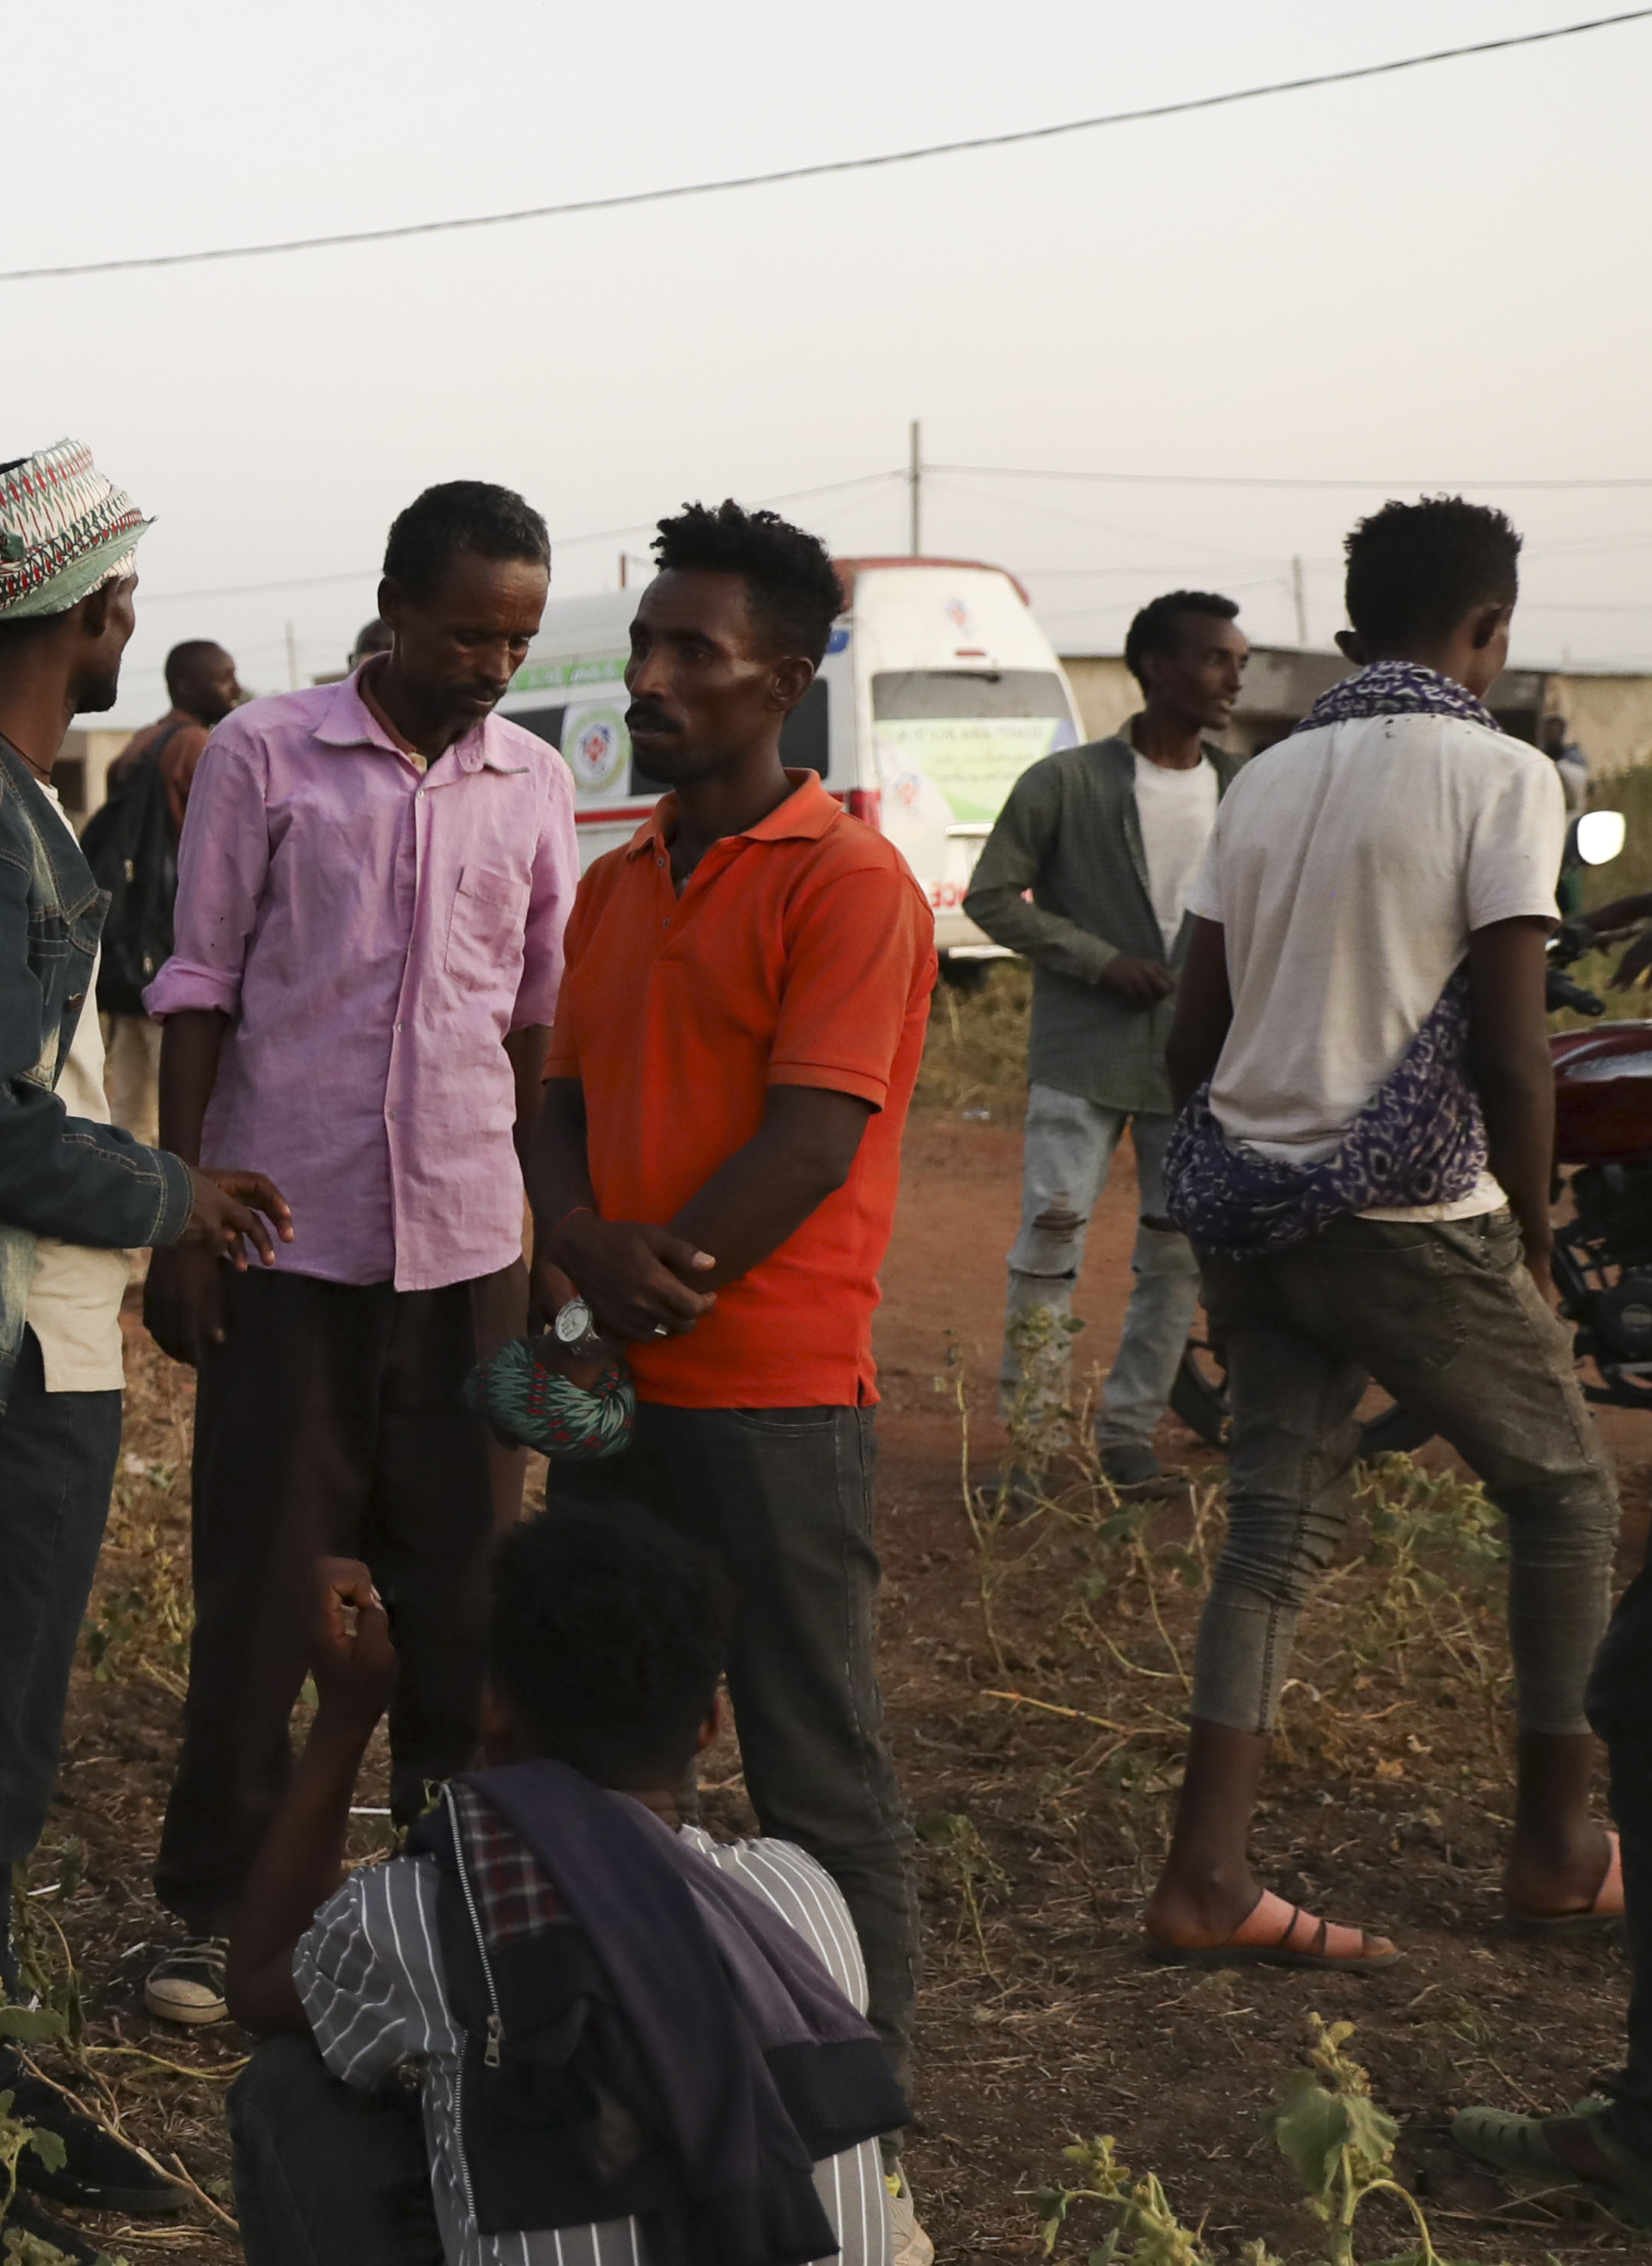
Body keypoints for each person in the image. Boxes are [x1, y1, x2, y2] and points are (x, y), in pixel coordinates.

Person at [0, 441, 293, 2248]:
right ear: (73, 607)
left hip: (28, 1333)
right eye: (116, 600)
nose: (128, 624)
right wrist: (177, 1191)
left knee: (8, 1744)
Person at [1139, 495, 1607, 1969]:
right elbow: (1516, 1051)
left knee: (1273, 1529)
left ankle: (1205, 1876)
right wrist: (1528, 1239)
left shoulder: (1262, 783)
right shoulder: (1502, 774)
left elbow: (1189, 1031)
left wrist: (1249, 1155)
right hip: (1409, 1215)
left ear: (1351, 630)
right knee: (1567, 1495)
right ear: (1489, 631)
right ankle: (1556, 1847)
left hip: (1249, 1204)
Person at [135, 484, 576, 2032]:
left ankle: (446, 1903)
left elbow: (530, 1011)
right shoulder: (265, 752)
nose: (491, 663)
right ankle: (219, 1912)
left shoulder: (530, 779)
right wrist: (184, 1206)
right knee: (264, 1590)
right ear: (391, 607)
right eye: (466, 630)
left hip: (462, 1249)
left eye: (514, 637)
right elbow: (196, 981)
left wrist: (535, 1228)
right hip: (286, 1242)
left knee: (459, 1594)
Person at [523, 501, 931, 2069]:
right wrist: (579, 1244)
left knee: (810, 1760)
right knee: (607, 1749)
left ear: (782, 680)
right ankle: (644, 2060)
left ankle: (863, 2105)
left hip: (770, 1393)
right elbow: (559, 1101)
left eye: (692, 649)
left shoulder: (844, 882)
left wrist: (641, 1275)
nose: (649, 675)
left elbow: (813, 1138)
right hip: (618, 1379)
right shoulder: (620, 881)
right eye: (644, 642)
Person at [226, 1507, 909, 2266]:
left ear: (492, 1709)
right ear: (708, 1726)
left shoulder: (428, 1910)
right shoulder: (796, 1891)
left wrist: (345, 1719)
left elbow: (258, 1981)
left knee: (288, 2085)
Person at [959, 589, 1248, 1497]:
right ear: (1154, 666)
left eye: (1237, 660)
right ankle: (1030, 1451)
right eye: (1213, 658)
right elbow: (989, 896)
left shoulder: (1245, 787)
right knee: (1050, 1242)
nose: (1231, 676)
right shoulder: (1066, 781)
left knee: (1172, 1256)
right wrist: (1096, 959)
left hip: (1194, 1064)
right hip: (1081, 1057)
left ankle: (1128, 1437)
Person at [78, 634, 243, 1111]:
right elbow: (220, 847)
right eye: (224, 678)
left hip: (129, 943)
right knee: (179, 1099)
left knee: (128, 1099)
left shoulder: (141, 743)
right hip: (173, 943)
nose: (235, 690)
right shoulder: (197, 746)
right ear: (187, 687)